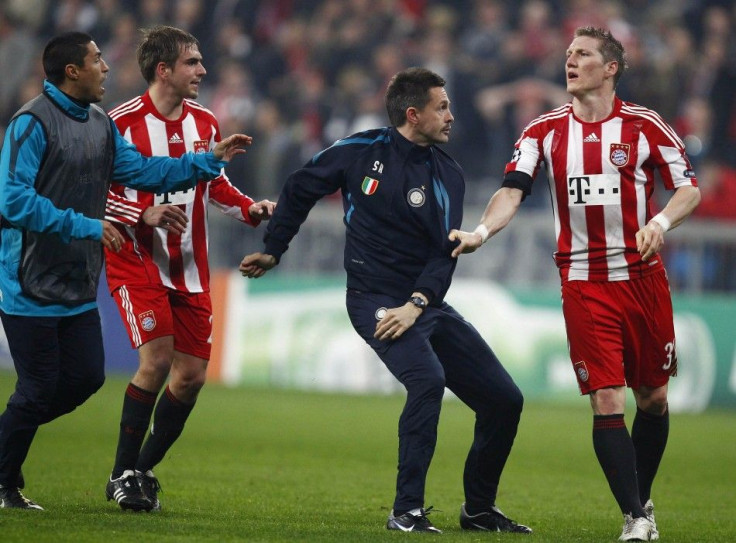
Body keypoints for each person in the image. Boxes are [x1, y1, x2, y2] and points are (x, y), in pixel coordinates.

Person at [240, 67, 532, 535]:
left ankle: (478, 508)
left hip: (424, 305)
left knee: (505, 400)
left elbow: (447, 251)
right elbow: (300, 187)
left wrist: (418, 303)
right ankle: (406, 510)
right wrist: (275, 248)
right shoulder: (360, 151)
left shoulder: (448, 175)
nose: (451, 116)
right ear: (413, 114)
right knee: (428, 380)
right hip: (371, 298)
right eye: (443, 107)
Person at [449, 27, 701, 542]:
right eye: (567, 54)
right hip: (583, 280)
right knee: (606, 399)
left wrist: (660, 223)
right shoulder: (542, 131)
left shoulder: (644, 126)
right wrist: (480, 231)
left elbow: (687, 188)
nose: (570, 62)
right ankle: (634, 518)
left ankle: (641, 499)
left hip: (642, 278)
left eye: (582, 54)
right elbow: (511, 190)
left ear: (610, 68)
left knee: (652, 398)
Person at [0, 31, 252, 511]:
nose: (107, 68)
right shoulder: (31, 123)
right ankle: (6, 480)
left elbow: (145, 172)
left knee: (84, 380)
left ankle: (13, 454)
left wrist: (208, 161)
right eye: (98, 60)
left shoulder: (98, 124)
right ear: (72, 71)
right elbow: (11, 200)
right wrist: (90, 225)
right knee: (36, 392)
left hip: (76, 283)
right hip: (27, 279)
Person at [102, 25, 275, 513]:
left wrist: (249, 209)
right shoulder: (119, 124)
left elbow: (213, 182)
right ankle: (121, 473)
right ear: (164, 70)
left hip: (189, 267)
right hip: (135, 257)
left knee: (191, 377)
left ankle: (141, 470)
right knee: (156, 360)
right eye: (192, 62)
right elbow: (96, 191)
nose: (202, 70)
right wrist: (142, 214)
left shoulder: (205, 121)